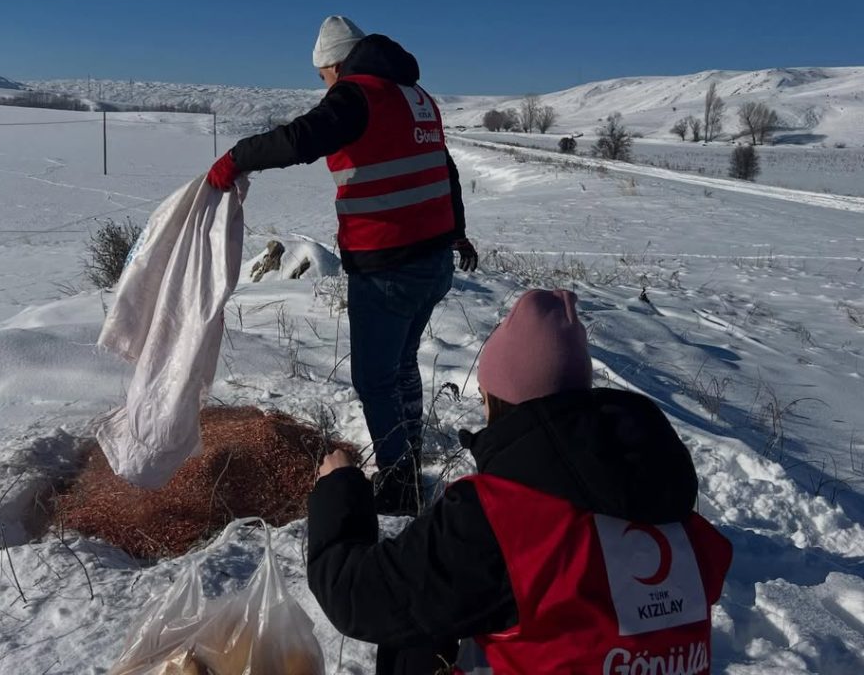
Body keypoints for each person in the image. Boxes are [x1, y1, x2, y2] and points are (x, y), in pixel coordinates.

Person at [307, 289, 733, 675]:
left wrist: (340, 490)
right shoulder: (673, 511)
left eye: (484, 397)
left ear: (498, 402)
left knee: (416, 625)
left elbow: (360, 597)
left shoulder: (503, 516)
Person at [206, 16, 478, 514]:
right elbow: (444, 167)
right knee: (401, 364)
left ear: (335, 64)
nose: (325, 86)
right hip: (434, 259)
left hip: (388, 265)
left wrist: (237, 158)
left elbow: (300, 139)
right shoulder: (416, 96)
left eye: (323, 76)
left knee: (375, 378)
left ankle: (400, 483)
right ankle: (408, 454)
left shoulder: (357, 95)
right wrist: (456, 229)